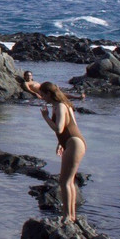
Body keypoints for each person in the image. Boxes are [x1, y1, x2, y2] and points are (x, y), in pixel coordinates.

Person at [35, 81, 87, 222]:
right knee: (68, 182)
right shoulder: (64, 104)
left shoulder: (60, 106)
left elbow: (59, 128)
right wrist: (60, 143)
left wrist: (45, 117)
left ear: (48, 94)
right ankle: (71, 216)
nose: (41, 98)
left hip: (74, 143)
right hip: (74, 142)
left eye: (42, 95)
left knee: (64, 182)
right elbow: (71, 125)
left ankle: (68, 216)